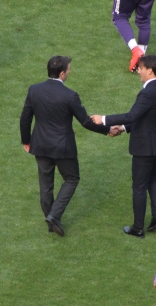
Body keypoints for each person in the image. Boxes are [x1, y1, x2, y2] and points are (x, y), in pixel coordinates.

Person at [20, 56, 118, 236]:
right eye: (69, 69)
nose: (70, 72)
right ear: (62, 73)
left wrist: (26, 141)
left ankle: (51, 220)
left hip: (40, 146)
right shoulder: (70, 96)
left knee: (45, 185)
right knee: (72, 178)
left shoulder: (34, 90)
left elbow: (25, 118)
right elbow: (86, 122)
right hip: (63, 148)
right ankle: (54, 216)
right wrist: (107, 130)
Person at [90, 55, 156, 238]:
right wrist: (124, 128)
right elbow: (146, 118)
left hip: (145, 148)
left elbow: (132, 115)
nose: (138, 71)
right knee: (153, 178)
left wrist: (103, 119)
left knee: (139, 186)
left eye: (140, 68)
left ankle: (138, 228)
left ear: (150, 70)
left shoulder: (147, 93)